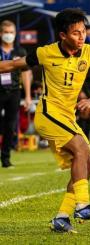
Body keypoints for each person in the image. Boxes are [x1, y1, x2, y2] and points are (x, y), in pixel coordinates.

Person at [0, 8, 90, 233]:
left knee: (88, 165)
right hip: (48, 114)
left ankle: (62, 217)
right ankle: (82, 205)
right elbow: (13, 65)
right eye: (76, 33)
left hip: (68, 117)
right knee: (81, 150)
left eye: (83, 32)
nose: (82, 37)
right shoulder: (46, 53)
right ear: (62, 35)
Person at [0, 20, 31, 168]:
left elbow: (25, 74)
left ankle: (5, 159)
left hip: (14, 91)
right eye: (6, 32)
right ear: (1, 33)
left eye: (11, 32)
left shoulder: (20, 52)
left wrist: (28, 96)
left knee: (10, 126)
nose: (8, 35)